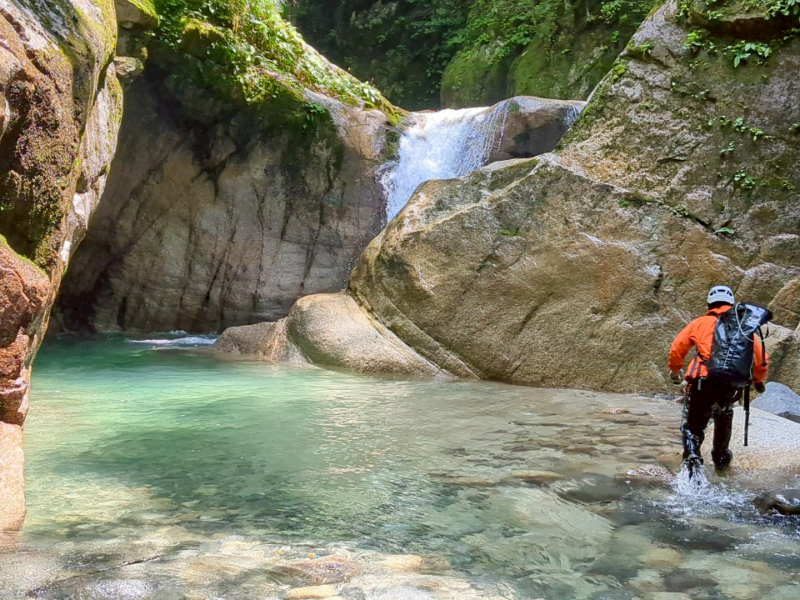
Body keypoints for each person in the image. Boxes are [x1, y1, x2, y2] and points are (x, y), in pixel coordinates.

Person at [668, 285, 769, 473]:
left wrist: (675, 370)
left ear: (709, 304)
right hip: (730, 384)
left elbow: (677, 349)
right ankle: (721, 459)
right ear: (731, 304)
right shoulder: (743, 326)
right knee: (724, 416)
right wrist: (757, 380)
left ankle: (692, 456)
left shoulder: (700, 323)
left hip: (702, 382)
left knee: (694, 426)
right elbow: (761, 360)